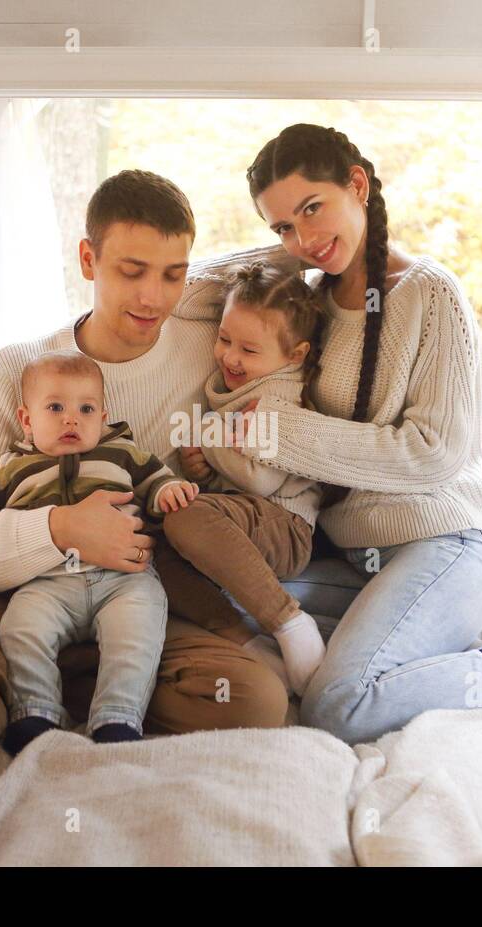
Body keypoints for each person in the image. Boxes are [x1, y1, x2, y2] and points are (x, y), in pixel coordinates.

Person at [0, 170, 291, 866]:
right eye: (131, 271)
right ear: (86, 261)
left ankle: (61, 691)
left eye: (173, 275)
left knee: (254, 696)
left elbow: (276, 276)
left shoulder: (208, 353)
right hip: (0, 592)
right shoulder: (19, 369)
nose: (152, 297)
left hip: (127, 593)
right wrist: (60, 530)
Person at [208, 123, 482, 745]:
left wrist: (275, 433)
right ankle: (405, 647)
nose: (302, 240)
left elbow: (432, 455)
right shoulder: (307, 300)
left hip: (448, 546)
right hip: (357, 559)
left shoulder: (431, 295)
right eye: (281, 228)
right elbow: (214, 285)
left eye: (312, 209)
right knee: (216, 585)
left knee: (340, 704)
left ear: (357, 185)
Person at [0, 349, 200, 754]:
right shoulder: (9, 469)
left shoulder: (122, 452)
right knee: (20, 629)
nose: (72, 419)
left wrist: (169, 491)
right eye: (55, 408)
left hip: (124, 581)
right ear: (27, 420)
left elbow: (156, 482)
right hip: (48, 582)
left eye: (86, 409)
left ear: (102, 419)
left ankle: (117, 718)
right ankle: (36, 711)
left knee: (137, 635)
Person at [156, 261, 329, 695]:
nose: (231, 357)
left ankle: (289, 621)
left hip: (285, 525)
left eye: (249, 350)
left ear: (295, 355)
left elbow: (260, 481)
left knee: (183, 515)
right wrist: (204, 469)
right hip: (243, 519)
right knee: (152, 542)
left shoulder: (279, 396)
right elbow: (234, 478)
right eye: (225, 339)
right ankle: (246, 640)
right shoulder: (238, 387)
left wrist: (205, 435)